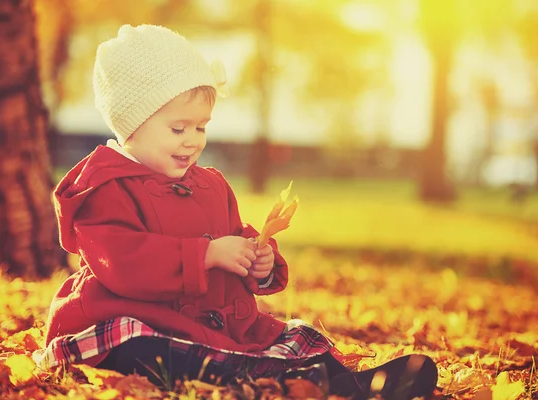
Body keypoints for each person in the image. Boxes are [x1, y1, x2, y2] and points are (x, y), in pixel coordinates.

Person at [33, 24, 438, 399]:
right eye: (178, 129)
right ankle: (277, 380)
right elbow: (122, 261)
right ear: (131, 124)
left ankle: (351, 383)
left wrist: (256, 260)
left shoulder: (210, 185)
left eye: (202, 127)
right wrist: (205, 255)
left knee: (292, 334)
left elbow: (233, 236)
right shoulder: (106, 188)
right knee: (140, 346)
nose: (193, 140)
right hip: (132, 319)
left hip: (214, 327)